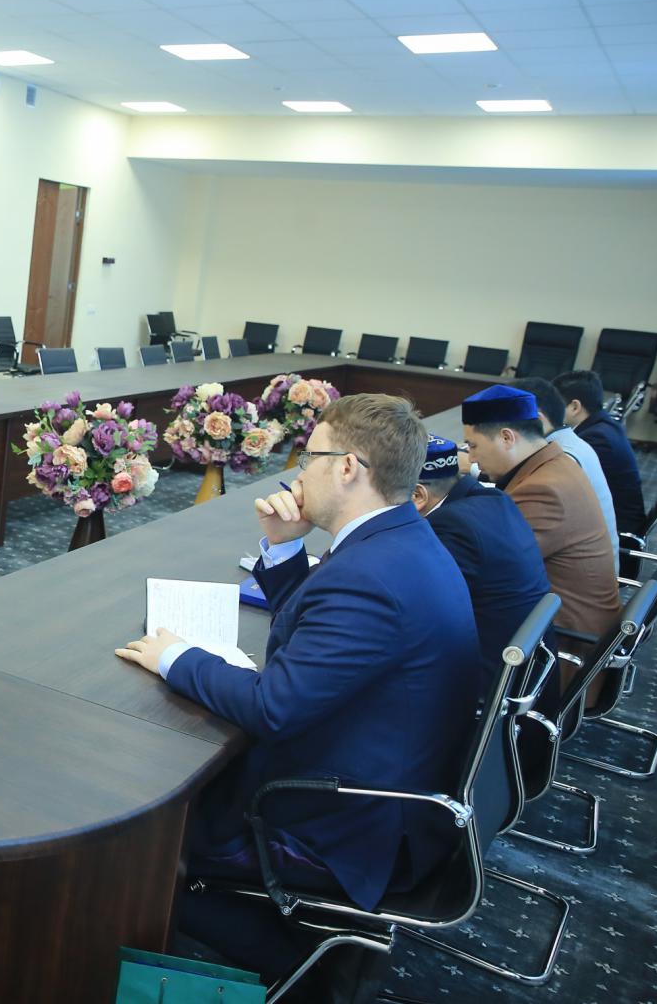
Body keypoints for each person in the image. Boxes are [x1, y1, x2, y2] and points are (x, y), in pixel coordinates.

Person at [117, 394, 477, 987]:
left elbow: (273, 707)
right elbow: (321, 626)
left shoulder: (372, 576)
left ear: (348, 467)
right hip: (383, 782)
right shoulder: (400, 541)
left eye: (310, 458)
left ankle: (287, 966)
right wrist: (285, 546)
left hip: (334, 824)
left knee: (141, 820)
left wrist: (175, 657)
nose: (298, 474)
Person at [462, 384, 621, 642]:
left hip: (561, 641)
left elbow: (488, 569)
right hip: (556, 620)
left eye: (473, 445)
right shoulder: (554, 463)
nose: (470, 458)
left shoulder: (544, 489)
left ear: (507, 438)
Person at [413, 434, 553, 680]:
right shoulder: (492, 499)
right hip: (525, 669)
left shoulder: (450, 526)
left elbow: (418, 618)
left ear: (417, 496)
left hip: (487, 682)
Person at [510, 376, 618, 570]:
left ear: (538, 419)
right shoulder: (569, 442)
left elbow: (516, 553)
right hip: (588, 563)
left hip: (579, 576)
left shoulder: (564, 456)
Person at [554, 369, 648, 537]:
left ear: (575, 407)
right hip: (615, 520)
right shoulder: (603, 425)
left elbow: (565, 489)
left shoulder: (596, 439)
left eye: (556, 404)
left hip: (616, 531)